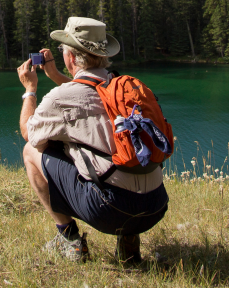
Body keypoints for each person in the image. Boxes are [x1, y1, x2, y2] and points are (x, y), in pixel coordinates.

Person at [17, 17, 169, 264]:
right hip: (154, 207)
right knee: (118, 157)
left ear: (71, 57)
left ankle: (69, 240)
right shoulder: (122, 87)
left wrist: (30, 90)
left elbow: (28, 132)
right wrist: (55, 75)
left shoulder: (60, 98)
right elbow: (88, 94)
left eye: (63, 49)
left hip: (111, 211)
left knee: (30, 151)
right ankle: (129, 245)